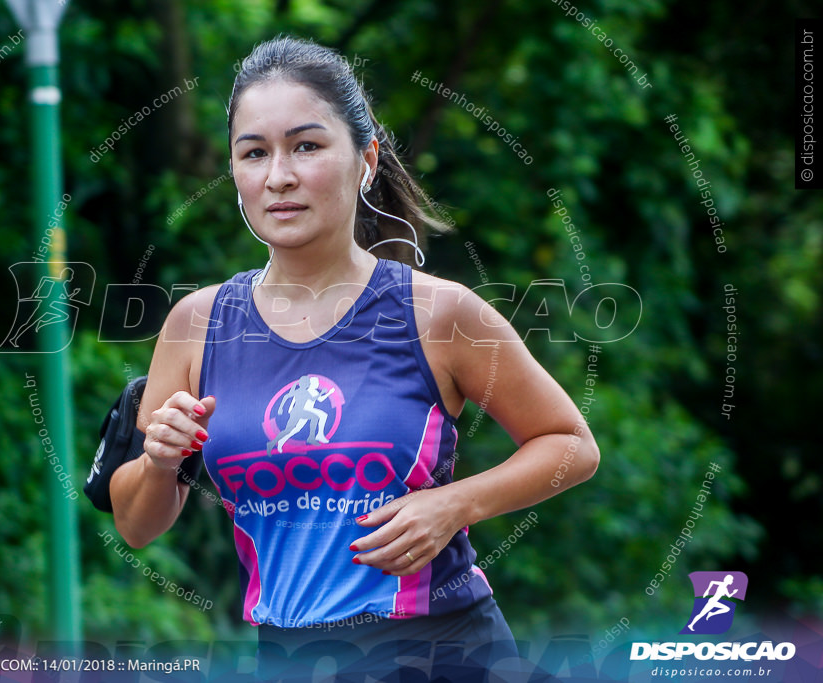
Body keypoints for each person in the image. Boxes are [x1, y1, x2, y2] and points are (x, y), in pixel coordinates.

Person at [109, 35, 600, 681]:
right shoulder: (195, 324)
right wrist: (159, 460)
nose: (278, 175)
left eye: (306, 146)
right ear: (233, 171)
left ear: (366, 159)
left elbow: (571, 443)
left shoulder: (439, 312)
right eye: (254, 152)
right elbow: (138, 526)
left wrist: (455, 503)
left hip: (444, 653)